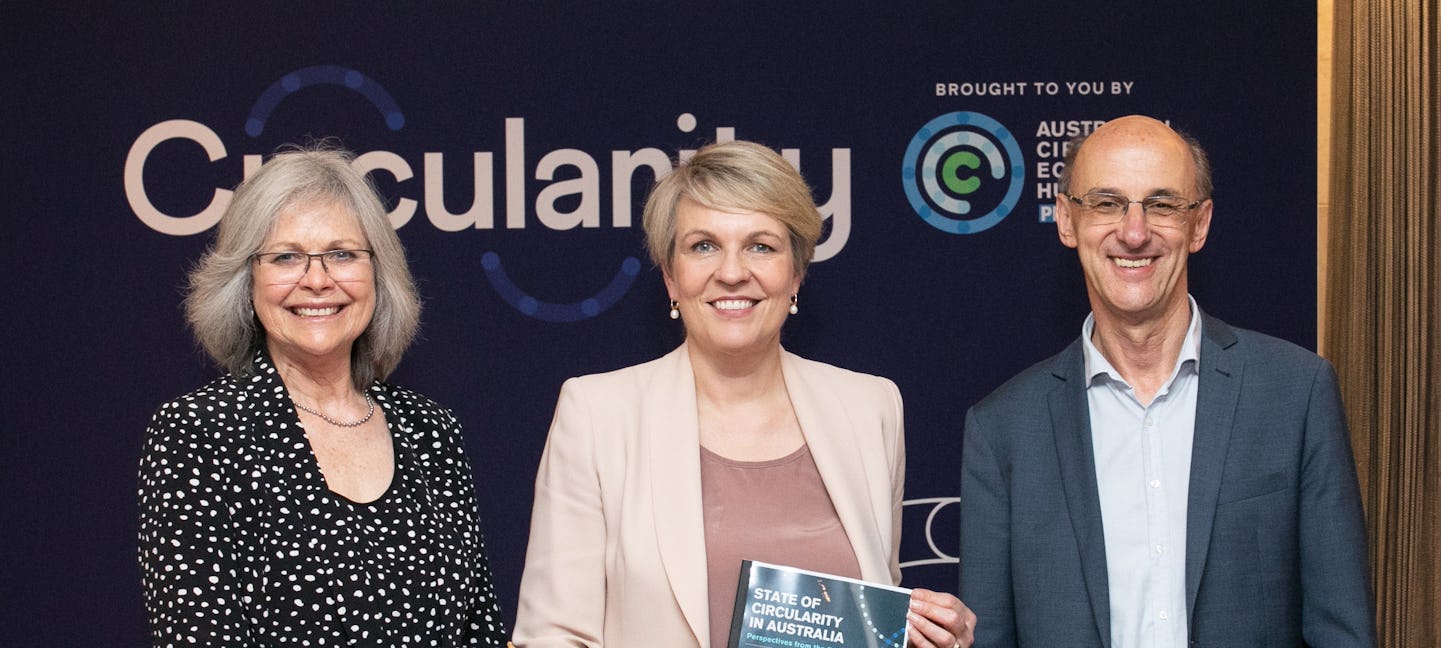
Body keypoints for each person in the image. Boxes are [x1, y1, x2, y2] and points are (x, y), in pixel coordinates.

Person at [512, 140, 976, 648]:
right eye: (703, 246)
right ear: (670, 276)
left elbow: (866, 621)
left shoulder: (870, 407)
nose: (732, 272)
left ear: (796, 272)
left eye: (761, 245)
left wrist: (926, 634)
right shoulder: (598, 415)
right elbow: (552, 638)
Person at [958, 115, 1374, 647]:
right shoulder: (1002, 430)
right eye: (1106, 203)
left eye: (1161, 205)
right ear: (1066, 220)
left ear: (1199, 224)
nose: (1135, 233)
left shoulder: (1296, 394)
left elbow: (1342, 632)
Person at [137, 145, 508, 647]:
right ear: (248, 281)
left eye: (341, 254)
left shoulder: (432, 432)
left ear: (379, 273)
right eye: (286, 257)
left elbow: (478, 629)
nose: (317, 280)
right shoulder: (199, 434)